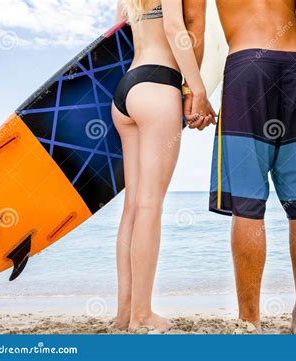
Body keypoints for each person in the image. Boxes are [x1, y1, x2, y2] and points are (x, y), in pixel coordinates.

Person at [209, 0, 296, 334]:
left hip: (247, 66)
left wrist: (192, 90)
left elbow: (191, 20)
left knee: (247, 202)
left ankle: (250, 320)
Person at [112, 0, 215, 333]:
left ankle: (124, 314)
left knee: (132, 207)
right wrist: (196, 89)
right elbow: (175, 29)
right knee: (149, 204)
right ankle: (142, 315)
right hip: (159, 87)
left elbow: (117, 33)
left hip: (126, 91)